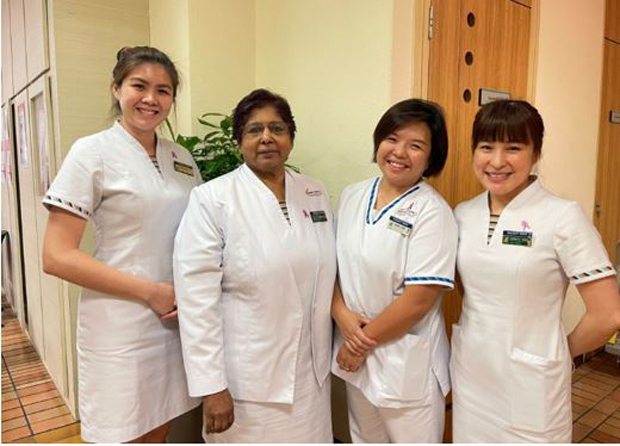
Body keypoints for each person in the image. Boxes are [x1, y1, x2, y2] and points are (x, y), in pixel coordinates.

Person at [42, 46, 201, 443]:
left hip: (174, 321)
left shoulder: (181, 157)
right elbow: (56, 256)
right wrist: (151, 292)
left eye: (163, 90)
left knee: (160, 424)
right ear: (116, 89)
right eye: (139, 86)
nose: (151, 99)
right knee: (120, 430)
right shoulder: (91, 152)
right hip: (121, 323)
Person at [173, 88, 337, 442]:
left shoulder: (314, 192)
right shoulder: (212, 199)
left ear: (291, 136)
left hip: (312, 374)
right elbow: (197, 301)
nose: (266, 138)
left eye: (277, 128)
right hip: (247, 382)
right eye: (254, 130)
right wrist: (212, 386)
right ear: (238, 141)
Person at [451, 99, 620, 442]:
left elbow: (608, 315)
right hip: (472, 375)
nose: (497, 161)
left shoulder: (562, 216)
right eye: (486, 147)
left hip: (531, 383)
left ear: (535, 153)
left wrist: (558, 353)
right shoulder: (463, 214)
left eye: (513, 147)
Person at [331, 98, 457, 443]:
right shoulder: (353, 195)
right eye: (392, 138)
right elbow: (332, 266)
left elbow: (418, 300)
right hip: (358, 355)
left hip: (404, 364)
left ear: (431, 157)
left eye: (415, 145)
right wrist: (341, 314)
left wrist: (356, 345)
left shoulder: (433, 213)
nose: (399, 152)